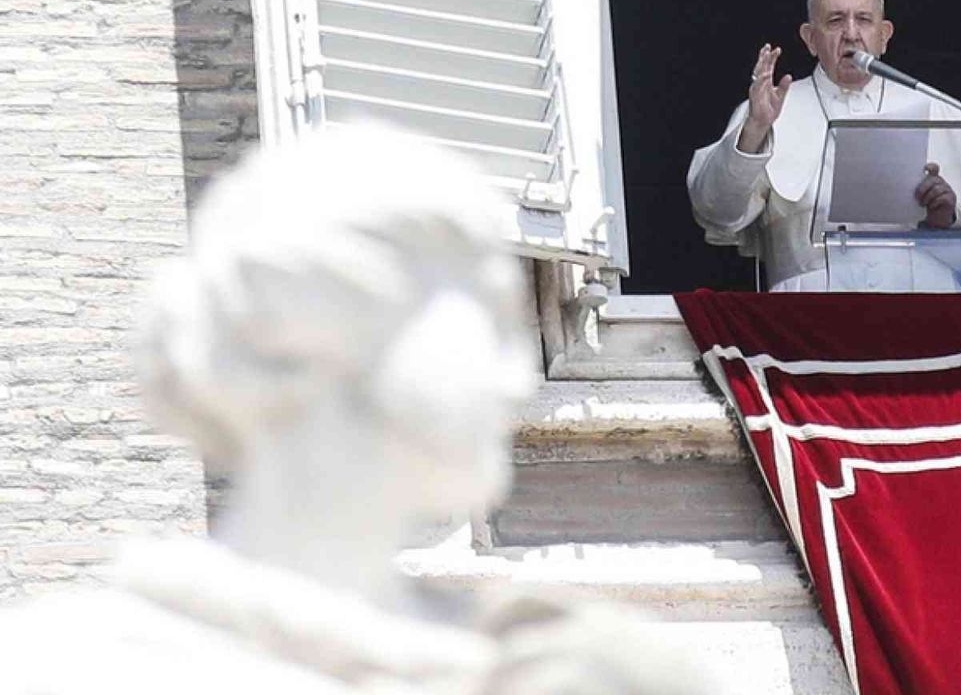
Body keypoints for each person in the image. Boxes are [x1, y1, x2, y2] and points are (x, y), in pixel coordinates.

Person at [0, 130, 711, 694]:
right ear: (314, 332)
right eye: (489, 321)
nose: (513, 377)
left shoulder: (590, 672)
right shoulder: (71, 671)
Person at [687, 0, 961, 292]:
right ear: (810, 39)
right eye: (835, 20)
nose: (851, 33)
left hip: (925, 311)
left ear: (884, 35)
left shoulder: (937, 107)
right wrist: (755, 130)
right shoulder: (770, 110)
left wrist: (946, 219)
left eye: (864, 19)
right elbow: (717, 214)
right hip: (808, 317)